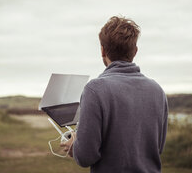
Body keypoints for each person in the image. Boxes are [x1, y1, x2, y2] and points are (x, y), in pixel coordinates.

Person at [61, 16, 168, 173]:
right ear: (135, 51)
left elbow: (85, 157)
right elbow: (157, 148)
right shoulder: (157, 90)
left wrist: (74, 146)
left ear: (102, 50)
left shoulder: (94, 89)